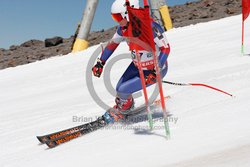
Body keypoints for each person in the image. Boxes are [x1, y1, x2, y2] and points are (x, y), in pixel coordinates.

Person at [92, 0, 170, 124]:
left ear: (128, 13)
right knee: (119, 88)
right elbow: (112, 45)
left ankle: (122, 112)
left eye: (118, 16)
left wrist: (156, 70)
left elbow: (166, 48)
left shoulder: (150, 26)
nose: (117, 20)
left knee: (123, 90)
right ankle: (126, 106)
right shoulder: (123, 29)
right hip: (137, 66)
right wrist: (100, 62)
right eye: (114, 17)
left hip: (154, 69)